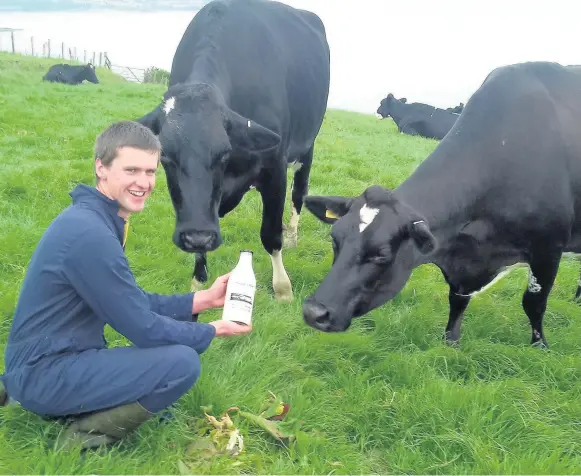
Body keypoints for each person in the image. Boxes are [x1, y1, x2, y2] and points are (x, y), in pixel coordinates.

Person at [0, 120, 252, 451]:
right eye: (131, 170)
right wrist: (212, 331)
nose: (144, 182)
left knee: (164, 371)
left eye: (150, 171)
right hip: (44, 372)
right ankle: (81, 438)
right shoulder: (89, 233)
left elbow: (129, 299)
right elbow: (143, 328)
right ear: (101, 168)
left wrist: (202, 300)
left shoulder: (95, 218)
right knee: (181, 363)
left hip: (47, 361)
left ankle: (38, 399)